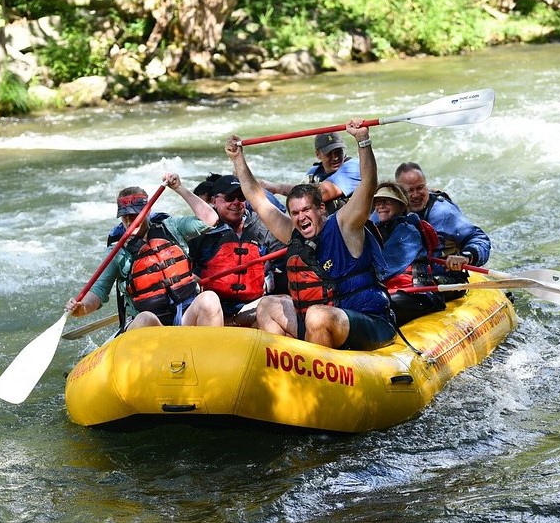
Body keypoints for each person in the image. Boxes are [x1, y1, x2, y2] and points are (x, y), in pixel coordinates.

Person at [226, 120, 396, 350]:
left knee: (316, 315)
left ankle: (321, 378)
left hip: (368, 321)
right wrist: (238, 160)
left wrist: (363, 141)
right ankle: (288, 370)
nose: (301, 217)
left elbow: (368, 185)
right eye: (295, 212)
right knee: (267, 305)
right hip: (321, 323)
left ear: (321, 209)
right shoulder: (294, 233)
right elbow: (258, 200)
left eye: (306, 210)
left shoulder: (345, 225)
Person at [66, 174, 223, 330]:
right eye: (124, 216)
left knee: (209, 299)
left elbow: (210, 219)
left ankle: (207, 351)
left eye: (135, 215)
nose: (129, 222)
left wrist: (179, 188)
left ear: (148, 212)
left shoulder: (171, 228)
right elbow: (98, 291)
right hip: (149, 325)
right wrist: (83, 307)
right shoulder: (118, 252)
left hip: (184, 315)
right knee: (145, 319)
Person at [188, 174, 287, 325]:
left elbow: (285, 256)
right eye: (229, 198)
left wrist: (270, 276)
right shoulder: (199, 231)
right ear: (214, 201)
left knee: (284, 303)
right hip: (214, 310)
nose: (236, 202)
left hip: (251, 307)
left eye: (241, 197)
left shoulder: (261, 226)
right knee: (208, 301)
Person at [394, 161, 491, 294]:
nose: (416, 194)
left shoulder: (443, 213)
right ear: (398, 192)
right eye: (409, 190)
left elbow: (479, 238)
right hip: (405, 279)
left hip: (445, 279)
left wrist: (466, 257)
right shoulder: (387, 212)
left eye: (420, 188)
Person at [370, 181, 445, 326]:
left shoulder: (408, 231)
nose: (381, 206)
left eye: (387, 202)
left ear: (402, 206)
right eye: (378, 202)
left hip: (417, 294)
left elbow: (384, 268)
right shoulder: (376, 230)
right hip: (391, 291)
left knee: (375, 306)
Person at [261, 131, 361, 214]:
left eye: (338, 151)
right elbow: (299, 199)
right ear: (318, 155)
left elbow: (323, 192)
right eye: (329, 154)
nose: (335, 157)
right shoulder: (314, 173)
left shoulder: (353, 166)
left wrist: (276, 188)